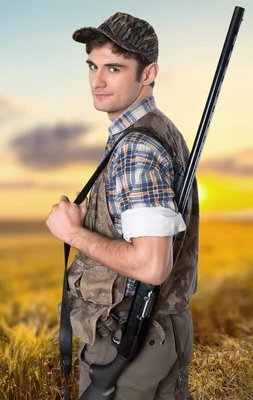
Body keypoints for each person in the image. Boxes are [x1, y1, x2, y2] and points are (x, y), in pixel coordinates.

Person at [45, 12, 199, 400]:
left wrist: (74, 233)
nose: (98, 81)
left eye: (114, 68)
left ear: (148, 74)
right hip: (159, 332)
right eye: (93, 66)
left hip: (129, 340)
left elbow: (151, 265)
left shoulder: (136, 148)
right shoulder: (157, 130)